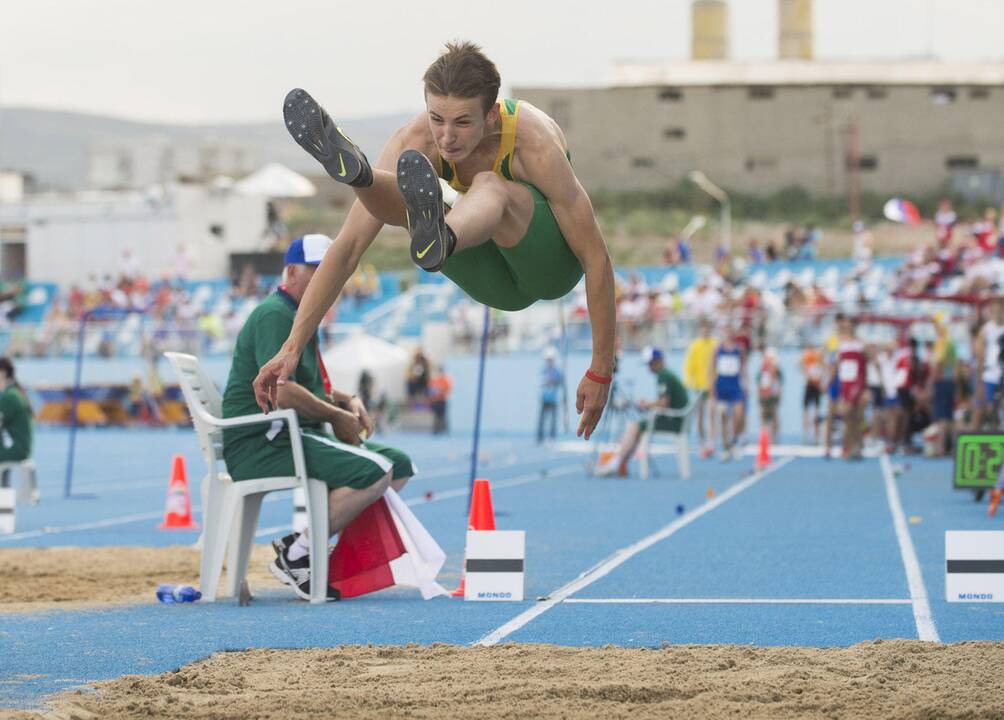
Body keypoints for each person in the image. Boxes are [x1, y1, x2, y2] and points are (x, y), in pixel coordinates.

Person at [254, 41, 615, 440]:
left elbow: (596, 258)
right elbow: (348, 248)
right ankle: (364, 179)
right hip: (492, 279)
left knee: (491, 184)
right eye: (437, 118)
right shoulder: (415, 140)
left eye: (462, 122)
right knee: (417, 207)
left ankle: (439, 228)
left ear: (491, 114)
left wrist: (601, 369)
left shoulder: (535, 143)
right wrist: (291, 346)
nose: (447, 138)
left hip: (549, 270)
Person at [221, 234, 416, 601]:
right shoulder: (276, 315)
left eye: (333, 271)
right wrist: (337, 416)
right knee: (375, 470)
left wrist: (347, 400)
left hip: (289, 433)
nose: (330, 279)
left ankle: (307, 547)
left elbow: (308, 387)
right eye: (318, 270)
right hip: (266, 440)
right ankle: (299, 554)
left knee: (399, 465)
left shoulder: (297, 316)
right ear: (292, 272)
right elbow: (284, 391)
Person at [595, 346, 688, 477]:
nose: (649, 368)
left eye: (650, 364)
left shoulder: (664, 376)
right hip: (676, 419)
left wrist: (647, 404)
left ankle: (616, 463)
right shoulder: (667, 375)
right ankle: (620, 463)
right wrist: (648, 405)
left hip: (673, 421)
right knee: (637, 427)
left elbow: (663, 404)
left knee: (634, 426)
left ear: (657, 362)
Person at [710, 327, 746, 461]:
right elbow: (712, 370)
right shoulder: (717, 350)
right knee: (724, 417)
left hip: (735, 386)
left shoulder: (739, 350)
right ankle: (725, 447)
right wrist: (712, 388)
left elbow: (743, 368)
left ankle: (734, 441)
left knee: (738, 415)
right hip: (722, 386)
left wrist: (746, 383)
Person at [683, 319, 716, 458]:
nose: (705, 331)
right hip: (698, 386)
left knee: (712, 414)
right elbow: (689, 366)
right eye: (703, 329)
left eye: (707, 328)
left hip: (712, 385)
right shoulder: (695, 345)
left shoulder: (715, 344)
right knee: (700, 415)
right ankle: (702, 442)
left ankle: (711, 442)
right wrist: (688, 382)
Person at [836, 315, 868, 459]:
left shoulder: (860, 343)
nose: (847, 326)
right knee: (850, 416)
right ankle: (855, 446)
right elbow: (838, 364)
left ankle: (851, 446)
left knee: (853, 413)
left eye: (849, 324)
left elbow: (865, 366)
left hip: (856, 382)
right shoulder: (840, 342)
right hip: (845, 382)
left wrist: (864, 387)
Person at [0, 357, 33, 490]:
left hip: (17, 449)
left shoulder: (10, 396)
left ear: (2, 373)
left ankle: (3, 492)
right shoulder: (13, 393)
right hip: (19, 446)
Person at [973, 297, 1004, 429]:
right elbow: (980, 356)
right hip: (989, 375)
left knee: (996, 410)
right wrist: (979, 380)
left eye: (1001, 309)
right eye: (996, 309)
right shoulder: (986, 330)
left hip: (1001, 374)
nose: (998, 312)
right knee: (984, 409)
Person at [537, 347, 563, 444]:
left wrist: (555, 381)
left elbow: (560, 380)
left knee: (553, 419)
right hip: (544, 398)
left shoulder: (557, 371)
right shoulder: (544, 370)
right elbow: (542, 380)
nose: (550, 362)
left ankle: (552, 437)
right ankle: (540, 437)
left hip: (553, 399)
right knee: (542, 420)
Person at [756, 348, 783, 440]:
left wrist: (779, 396)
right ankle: (764, 436)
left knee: (775, 415)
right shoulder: (762, 370)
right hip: (764, 396)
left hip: (773, 396)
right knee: (763, 416)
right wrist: (759, 397)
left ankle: (775, 436)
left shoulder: (778, 371)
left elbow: (780, 385)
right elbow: (758, 385)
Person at [800, 344, 824, 444]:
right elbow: (800, 365)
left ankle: (816, 436)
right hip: (809, 387)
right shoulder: (808, 362)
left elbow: (823, 374)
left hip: (816, 388)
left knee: (816, 412)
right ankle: (806, 435)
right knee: (806, 411)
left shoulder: (820, 364)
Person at [427, 365, 452, 435]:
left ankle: (443, 430)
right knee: (436, 415)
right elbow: (430, 390)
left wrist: (440, 390)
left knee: (442, 415)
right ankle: (436, 430)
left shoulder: (446, 380)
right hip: (435, 400)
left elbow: (448, 389)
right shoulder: (433, 380)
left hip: (442, 400)